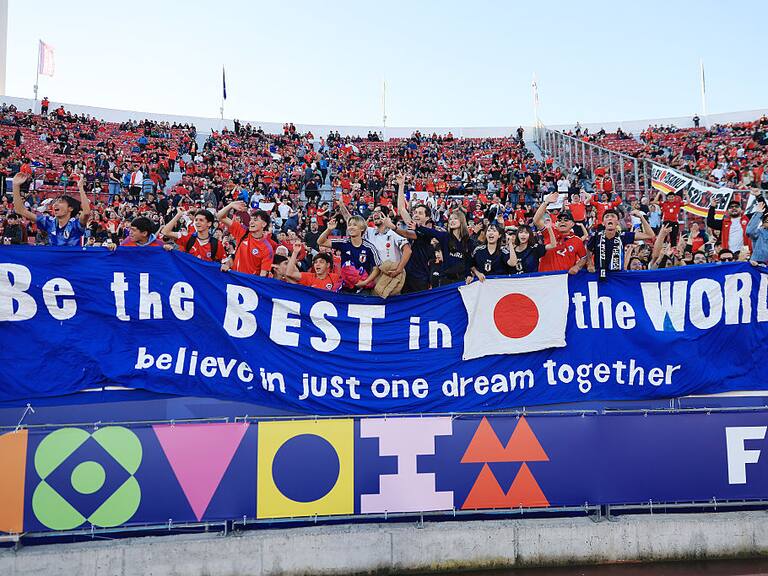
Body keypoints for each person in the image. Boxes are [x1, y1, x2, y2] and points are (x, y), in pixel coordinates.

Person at [13, 171, 91, 247]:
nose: (55, 204)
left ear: (70, 208)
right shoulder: (49, 222)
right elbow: (20, 210)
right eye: (55, 202)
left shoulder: (76, 224)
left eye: (60, 202)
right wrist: (15, 185)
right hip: (53, 258)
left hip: (72, 258)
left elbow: (86, 212)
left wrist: (80, 187)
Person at [581, 209, 655, 278]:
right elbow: (589, 250)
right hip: (600, 276)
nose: (610, 218)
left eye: (613, 216)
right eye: (607, 217)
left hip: (618, 278)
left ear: (617, 223)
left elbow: (650, 235)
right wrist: (590, 263)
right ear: (603, 223)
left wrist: (641, 217)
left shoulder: (623, 236)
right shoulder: (596, 236)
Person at [318, 214, 381, 293]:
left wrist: (365, 282)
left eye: (354, 225)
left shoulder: (369, 247)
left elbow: (376, 268)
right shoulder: (343, 242)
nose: (351, 227)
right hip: (345, 287)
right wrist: (329, 229)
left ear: (362, 228)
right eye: (349, 225)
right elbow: (320, 242)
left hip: (363, 288)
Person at [218, 201, 275, 276]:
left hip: (249, 285)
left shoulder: (267, 249)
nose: (251, 222)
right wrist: (230, 205)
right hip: (234, 280)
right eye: (251, 219)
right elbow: (220, 217)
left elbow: (262, 276)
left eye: (255, 220)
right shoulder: (242, 231)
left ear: (264, 224)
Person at [533, 192, 585, 273]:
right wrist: (546, 203)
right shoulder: (549, 232)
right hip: (545, 279)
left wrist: (577, 267)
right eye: (559, 220)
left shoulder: (577, 240)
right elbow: (536, 220)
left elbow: (583, 258)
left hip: (564, 280)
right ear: (556, 223)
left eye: (566, 220)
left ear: (572, 224)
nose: (562, 222)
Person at [161, 207, 226, 262]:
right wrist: (178, 215)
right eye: (196, 220)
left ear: (209, 223)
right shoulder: (188, 238)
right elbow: (165, 232)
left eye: (201, 220)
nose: (197, 222)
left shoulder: (216, 244)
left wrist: (226, 265)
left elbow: (225, 261)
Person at [746, 197, 768, 264]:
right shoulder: (759, 232)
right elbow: (749, 231)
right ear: (763, 224)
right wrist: (758, 214)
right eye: (767, 221)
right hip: (759, 264)